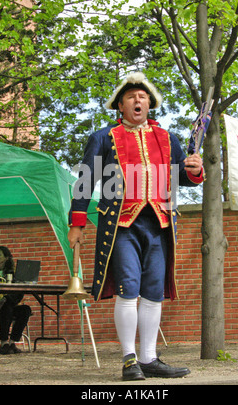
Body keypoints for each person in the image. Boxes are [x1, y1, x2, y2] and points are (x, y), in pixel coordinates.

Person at [68, 72, 204, 381]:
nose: (137, 100)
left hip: (158, 224)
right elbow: (85, 181)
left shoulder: (168, 138)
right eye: (131, 97)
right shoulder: (104, 137)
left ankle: (149, 358)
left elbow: (183, 176)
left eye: (143, 96)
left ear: (150, 104)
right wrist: (77, 222)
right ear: (120, 105)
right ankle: (129, 359)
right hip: (121, 226)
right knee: (128, 288)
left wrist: (194, 170)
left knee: (153, 292)